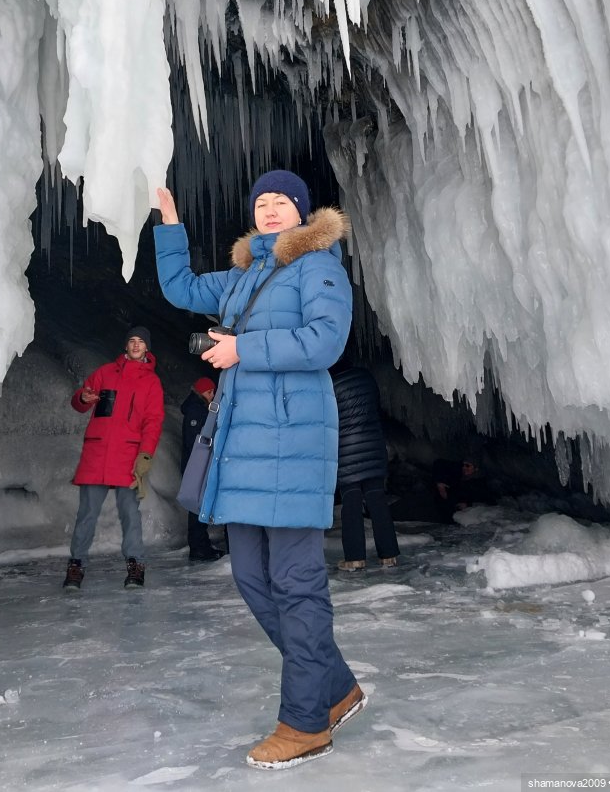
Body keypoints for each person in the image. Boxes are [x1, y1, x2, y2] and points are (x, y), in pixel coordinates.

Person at [154, 170, 366, 770]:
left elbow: (325, 340)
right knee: (251, 576)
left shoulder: (318, 266)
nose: (271, 210)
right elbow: (179, 287)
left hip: (292, 445)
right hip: (243, 447)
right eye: (262, 203)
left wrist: (244, 349)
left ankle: (305, 723)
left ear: (301, 213)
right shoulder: (245, 275)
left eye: (282, 203)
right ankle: (337, 686)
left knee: (296, 584)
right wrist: (170, 222)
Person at [63, 327, 165, 591]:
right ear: (126, 345)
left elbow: (153, 422)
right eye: (131, 341)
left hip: (127, 456)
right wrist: (83, 398)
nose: (135, 345)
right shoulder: (105, 372)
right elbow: (80, 401)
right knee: (86, 513)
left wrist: (145, 454)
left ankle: (135, 564)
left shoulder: (151, 383)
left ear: (147, 348)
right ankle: (76, 565)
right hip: (97, 454)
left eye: (141, 342)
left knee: (130, 513)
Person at [331, 364, 400, 572]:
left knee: (351, 501)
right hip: (374, 445)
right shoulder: (367, 377)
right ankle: (388, 555)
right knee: (378, 500)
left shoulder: (331, 385)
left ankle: (354, 558)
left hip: (347, 450)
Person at [179, 376, 224, 561]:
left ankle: (200, 546)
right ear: (200, 392)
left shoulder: (197, 408)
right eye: (209, 392)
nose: (212, 395)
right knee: (197, 506)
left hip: (196, 465)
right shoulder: (196, 411)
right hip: (197, 466)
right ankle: (199, 548)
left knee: (198, 505)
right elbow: (195, 442)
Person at [430, 457, 483, 523]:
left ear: (476, 468)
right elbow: (438, 462)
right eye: (463, 465)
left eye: (467, 466)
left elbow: (475, 495)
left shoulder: (478, 481)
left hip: (452, 501)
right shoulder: (456, 467)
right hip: (436, 493)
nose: (464, 467)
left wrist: (466, 503)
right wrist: (439, 482)